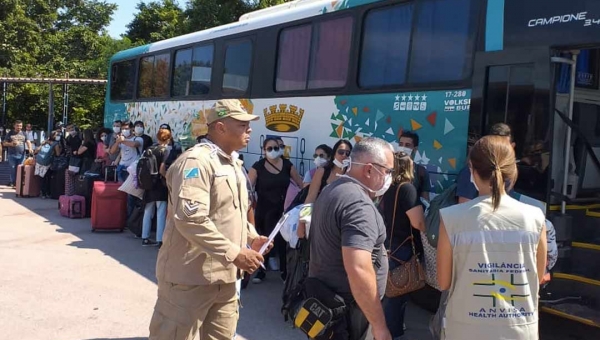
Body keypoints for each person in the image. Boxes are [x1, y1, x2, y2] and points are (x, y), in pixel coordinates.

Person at [149, 99, 271, 340]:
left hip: (225, 279)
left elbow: (230, 212)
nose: (249, 130)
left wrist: (252, 238)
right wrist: (235, 253)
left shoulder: (232, 162)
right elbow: (191, 220)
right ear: (220, 127)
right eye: (242, 124)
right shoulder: (196, 162)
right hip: (189, 279)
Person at [436, 135, 547, 340]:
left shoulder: (452, 217)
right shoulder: (535, 216)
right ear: (512, 171)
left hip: (465, 328)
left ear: (472, 170)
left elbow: (443, 282)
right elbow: (537, 277)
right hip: (519, 329)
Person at [309, 137, 394, 340]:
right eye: (388, 171)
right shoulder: (358, 205)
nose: (390, 177)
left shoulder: (333, 189)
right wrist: (380, 327)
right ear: (369, 169)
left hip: (325, 303)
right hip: (348, 314)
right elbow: (358, 268)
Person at [379, 151, 426, 339]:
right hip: (403, 247)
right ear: (408, 167)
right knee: (397, 293)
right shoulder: (407, 189)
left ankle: (389, 329)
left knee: (390, 291)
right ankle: (392, 333)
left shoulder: (388, 187)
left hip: (389, 244)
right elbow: (418, 223)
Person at [248, 137, 304, 282]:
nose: (273, 151)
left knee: (282, 242)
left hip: (283, 211)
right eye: (270, 148)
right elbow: (246, 188)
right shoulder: (258, 167)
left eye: (276, 147)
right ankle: (261, 270)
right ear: (264, 150)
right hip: (264, 211)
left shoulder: (287, 165)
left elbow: (301, 184)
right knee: (263, 240)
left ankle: (284, 272)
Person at [456, 123, 514, 203]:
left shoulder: (508, 171)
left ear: (512, 146)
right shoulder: (472, 170)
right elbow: (463, 206)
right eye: (497, 146)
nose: (500, 150)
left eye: (504, 146)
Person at [140, 128, 172, 247]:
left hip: (148, 184)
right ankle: (160, 239)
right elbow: (162, 169)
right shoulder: (165, 150)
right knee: (161, 212)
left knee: (148, 211)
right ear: (168, 138)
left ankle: (145, 237)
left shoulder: (149, 149)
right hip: (160, 185)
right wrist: (168, 178)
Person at [398, 131, 431, 201]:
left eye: (407, 145)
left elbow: (425, 200)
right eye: (400, 144)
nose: (403, 148)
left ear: (415, 149)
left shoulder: (421, 172)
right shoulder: (390, 168)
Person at [3, 120, 32, 187]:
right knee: (12, 169)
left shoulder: (24, 133)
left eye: (20, 126)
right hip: (11, 154)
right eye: (17, 126)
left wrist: (30, 148)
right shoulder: (10, 133)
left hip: (22, 155)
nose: (19, 127)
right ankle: (12, 182)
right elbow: (4, 143)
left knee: (20, 169)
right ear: (14, 126)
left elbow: (28, 141)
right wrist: (11, 144)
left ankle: (19, 182)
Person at [35, 131, 62, 198]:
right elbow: (58, 154)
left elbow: (36, 151)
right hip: (48, 163)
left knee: (42, 178)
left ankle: (43, 193)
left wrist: (42, 144)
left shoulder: (45, 142)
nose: (58, 136)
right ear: (53, 136)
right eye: (57, 135)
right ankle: (48, 192)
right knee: (48, 178)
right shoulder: (55, 144)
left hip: (40, 162)